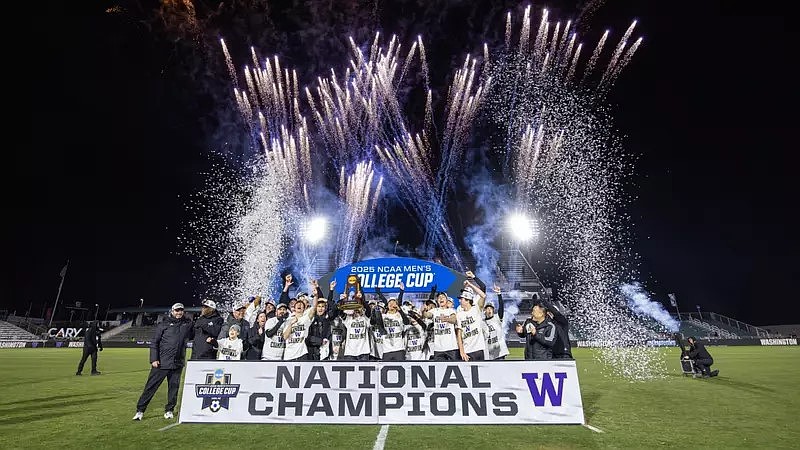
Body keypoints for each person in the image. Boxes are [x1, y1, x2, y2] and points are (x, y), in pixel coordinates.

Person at [133, 303, 194, 421]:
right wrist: (154, 359)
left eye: (181, 310)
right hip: (161, 363)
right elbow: (154, 342)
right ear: (172, 311)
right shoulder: (163, 324)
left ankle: (169, 410)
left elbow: (195, 332)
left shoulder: (187, 324)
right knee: (150, 387)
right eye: (177, 310)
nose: (179, 312)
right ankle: (140, 410)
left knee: (174, 388)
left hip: (177, 363)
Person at [375, 283, 410, 361]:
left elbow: (407, 322)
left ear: (397, 305)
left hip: (399, 349)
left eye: (393, 302)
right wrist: (378, 292)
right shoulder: (383, 316)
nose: (391, 303)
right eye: (389, 302)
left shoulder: (400, 315)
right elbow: (377, 321)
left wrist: (401, 292)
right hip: (387, 350)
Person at [423, 286, 459, 360]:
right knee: (439, 369)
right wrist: (423, 311)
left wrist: (447, 319)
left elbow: (454, 319)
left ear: (446, 300)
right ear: (437, 301)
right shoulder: (435, 311)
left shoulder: (451, 310)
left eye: (443, 297)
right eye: (439, 298)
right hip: (438, 348)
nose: (441, 299)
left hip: (451, 347)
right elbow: (427, 315)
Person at [456, 281, 487, 361]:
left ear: (467, 300)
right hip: (467, 350)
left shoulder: (476, 309)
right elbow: (459, 335)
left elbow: (483, 295)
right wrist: (462, 352)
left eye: (461, 299)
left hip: (478, 348)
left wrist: (470, 284)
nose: (460, 301)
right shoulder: (459, 314)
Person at [281, 295, 317, 361]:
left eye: (301, 304)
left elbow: (314, 308)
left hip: (302, 353)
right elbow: (285, 337)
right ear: (294, 308)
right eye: (298, 304)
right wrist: (291, 324)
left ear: (304, 308)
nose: (299, 305)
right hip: (289, 355)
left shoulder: (305, 319)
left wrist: (316, 295)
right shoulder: (288, 320)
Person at [307, 280, 335, 360]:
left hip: (325, 352)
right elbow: (307, 337)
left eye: (323, 307)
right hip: (312, 351)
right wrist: (320, 341)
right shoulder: (311, 318)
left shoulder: (328, 317)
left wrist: (331, 291)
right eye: (319, 306)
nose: (320, 308)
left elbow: (333, 308)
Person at [483, 286, 510, 360]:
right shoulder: (482, 322)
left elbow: (501, 307)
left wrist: (499, 294)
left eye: (491, 308)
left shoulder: (497, 318)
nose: (489, 310)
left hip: (500, 352)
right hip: (490, 353)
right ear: (484, 311)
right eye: (487, 308)